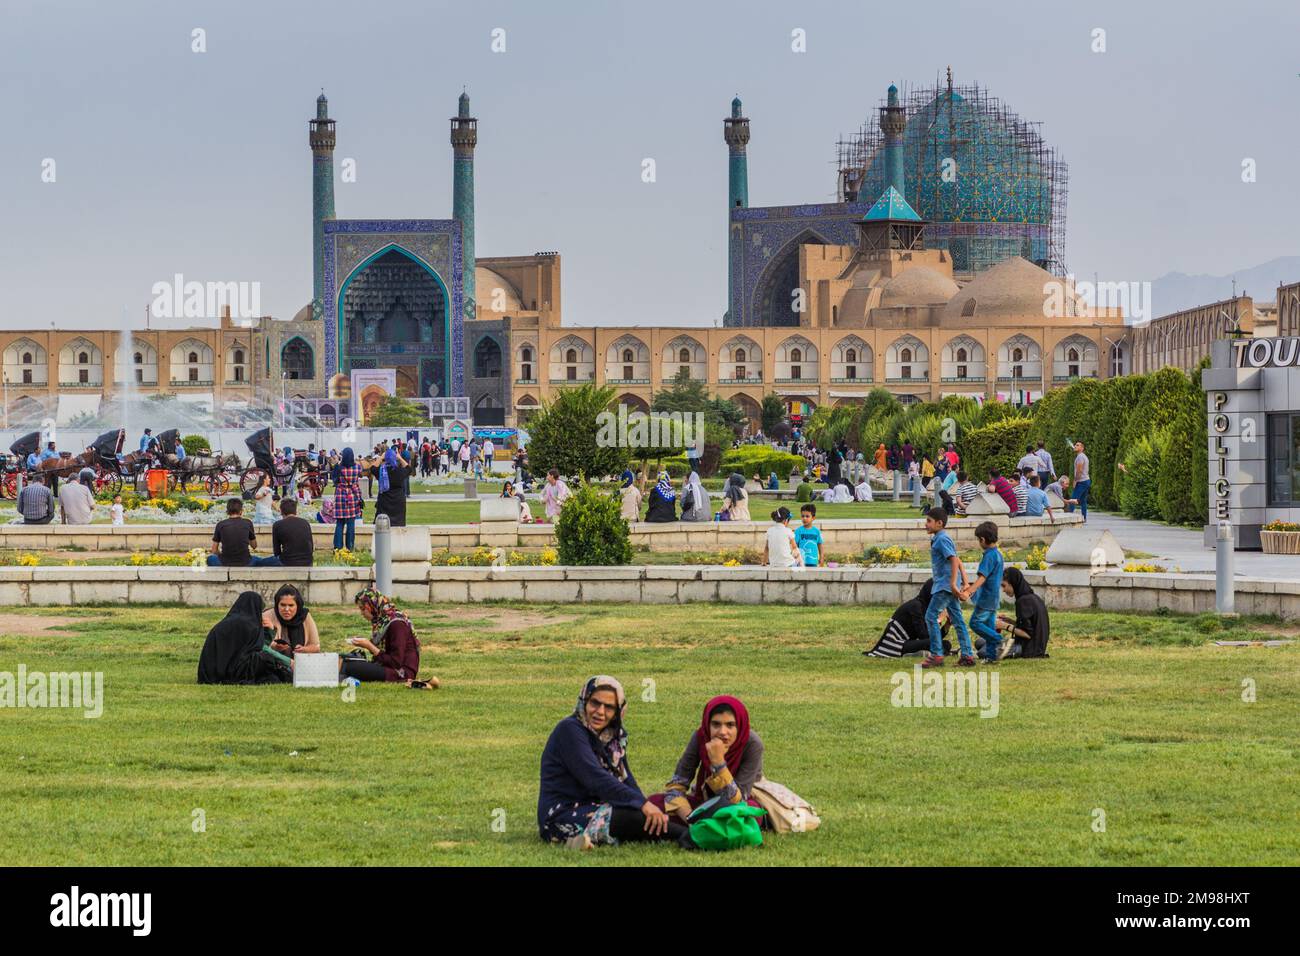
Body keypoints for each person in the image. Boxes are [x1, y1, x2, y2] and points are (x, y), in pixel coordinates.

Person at [537, 676, 692, 850]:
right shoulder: (569, 730)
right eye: (595, 703)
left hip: (596, 807)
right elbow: (595, 778)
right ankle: (688, 837)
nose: (600, 712)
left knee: (648, 813)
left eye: (609, 707)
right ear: (584, 700)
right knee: (632, 818)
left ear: (618, 711)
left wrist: (643, 804)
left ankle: (584, 840)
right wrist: (642, 805)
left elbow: (625, 779)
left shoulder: (613, 738)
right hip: (561, 815)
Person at [649, 696, 765, 822]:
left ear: (739, 726)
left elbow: (738, 802)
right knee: (654, 802)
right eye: (716, 724)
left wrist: (719, 763)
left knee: (749, 814)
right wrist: (690, 819)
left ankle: (701, 827)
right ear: (707, 724)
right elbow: (677, 785)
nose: (722, 732)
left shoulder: (752, 744)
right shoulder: (701, 737)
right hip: (704, 802)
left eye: (730, 725)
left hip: (737, 805)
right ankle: (702, 827)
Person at [197, 592, 292, 685]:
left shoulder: (229, 621)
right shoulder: (249, 625)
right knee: (266, 659)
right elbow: (261, 649)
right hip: (229, 672)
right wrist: (269, 630)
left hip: (209, 674)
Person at [342, 587, 428, 683]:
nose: (362, 613)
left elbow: (396, 662)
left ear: (372, 606)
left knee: (351, 666)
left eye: (363, 609)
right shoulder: (383, 621)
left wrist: (370, 646)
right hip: (387, 667)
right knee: (347, 658)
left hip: (402, 673)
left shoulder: (397, 624)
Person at [922, 507, 973, 668]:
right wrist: (964, 582)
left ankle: (937, 654)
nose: (926, 524)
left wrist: (953, 583)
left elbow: (953, 560)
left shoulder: (942, 539)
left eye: (929, 521)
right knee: (957, 620)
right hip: (948, 586)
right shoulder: (939, 538)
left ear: (939, 523)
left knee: (930, 616)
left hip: (944, 586)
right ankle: (967, 655)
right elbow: (957, 560)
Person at [864, 579, 953, 658]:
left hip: (907, 642)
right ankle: (919, 653)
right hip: (894, 644)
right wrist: (938, 620)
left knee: (946, 644)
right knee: (936, 644)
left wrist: (947, 625)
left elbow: (931, 636)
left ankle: (922, 653)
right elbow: (924, 636)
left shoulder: (926, 608)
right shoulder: (916, 606)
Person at [960, 522, 1006, 663]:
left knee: (975, 623)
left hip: (986, 598)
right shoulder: (998, 555)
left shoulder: (989, 556)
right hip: (994, 598)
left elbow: (982, 577)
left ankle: (999, 640)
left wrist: (969, 591)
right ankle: (991, 657)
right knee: (990, 626)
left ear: (982, 540)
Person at [208, 498, 280, 567]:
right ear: (241, 511)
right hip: (246, 562)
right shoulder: (247, 523)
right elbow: (254, 546)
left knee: (210, 559)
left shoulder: (221, 524)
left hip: (224, 562)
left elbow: (214, 550)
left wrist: (221, 555)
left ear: (227, 511)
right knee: (260, 560)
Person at [997, 568, 1051, 658]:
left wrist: (1004, 626)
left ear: (1013, 584)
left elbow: (1028, 634)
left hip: (1029, 650)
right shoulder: (1033, 597)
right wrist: (1009, 621)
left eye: (1004, 585)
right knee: (981, 643)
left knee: (983, 650)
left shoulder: (1023, 601)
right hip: (1037, 648)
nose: (1003, 590)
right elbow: (1029, 626)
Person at [260, 583, 321, 656]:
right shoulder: (267, 616)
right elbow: (261, 645)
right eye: (283, 605)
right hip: (273, 662)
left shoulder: (304, 616)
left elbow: (316, 646)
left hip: (300, 661)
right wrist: (275, 646)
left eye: (291, 605)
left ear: (297, 605)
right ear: (277, 604)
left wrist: (304, 649)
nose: (286, 609)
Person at [331, 447, 364, 551]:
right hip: (352, 496)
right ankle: (350, 547)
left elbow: (334, 480)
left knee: (339, 523)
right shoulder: (357, 467)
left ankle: (338, 547)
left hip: (340, 495)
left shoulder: (338, 467)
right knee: (351, 523)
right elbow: (360, 475)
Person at [271, 497, 315, 567]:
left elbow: (276, 551)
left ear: (282, 512)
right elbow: (311, 546)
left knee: (260, 562)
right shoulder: (305, 523)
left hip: (287, 562)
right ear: (295, 511)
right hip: (307, 562)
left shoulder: (277, 525)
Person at [374, 446, 410, 527]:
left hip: (384, 502)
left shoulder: (381, 471)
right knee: (398, 525)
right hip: (398, 502)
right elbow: (409, 468)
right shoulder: (400, 471)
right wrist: (400, 458)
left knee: (383, 526)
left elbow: (373, 468)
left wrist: (381, 457)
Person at [794, 503, 825, 568]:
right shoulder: (798, 531)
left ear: (813, 518)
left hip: (813, 562)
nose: (804, 518)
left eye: (807, 516)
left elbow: (820, 545)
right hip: (801, 562)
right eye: (802, 516)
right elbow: (795, 546)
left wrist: (822, 558)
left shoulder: (817, 531)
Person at [1072, 440, 1091, 521]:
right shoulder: (1083, 456)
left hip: (1082, 482)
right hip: (1086, 481)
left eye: (1077, 445)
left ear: (1082, 448)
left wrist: (1075, 481)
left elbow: (1079, 470)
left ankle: (1068, 517)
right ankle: (1084, 518)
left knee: (1073, 499)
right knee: (1083, 501)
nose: (1075, 446)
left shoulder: (1080, 457)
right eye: (1075, 445)